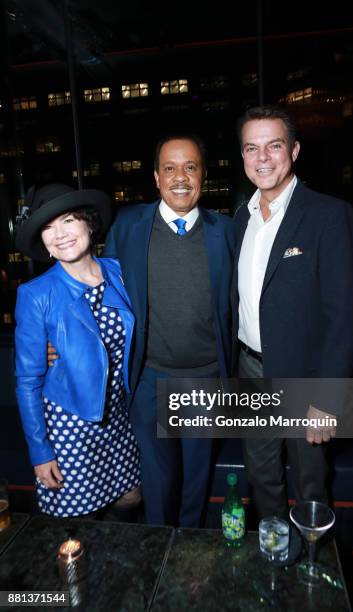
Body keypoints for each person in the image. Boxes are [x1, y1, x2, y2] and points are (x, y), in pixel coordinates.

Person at [232, 105, 353, 518]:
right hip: (250, 371)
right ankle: (273, 557)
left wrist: (326, 400)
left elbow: (346, 316)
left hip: (304, 376)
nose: (263, 158)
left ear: (294, 150)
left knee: (310, 483)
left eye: (274, 145)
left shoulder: (329, 215)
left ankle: (314, 570)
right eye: (252, 148)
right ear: (242, 157)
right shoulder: (241, 216)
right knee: (262, 476)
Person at [103, 134, 235, 527]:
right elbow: (101, 293)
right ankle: (157, 558)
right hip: (150, 379)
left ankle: (188, 563)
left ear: (204, 176)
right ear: (156, 178)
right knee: (158, 486)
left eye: (191, 167)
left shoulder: (226, 231)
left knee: (196, 484)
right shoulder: (127, 226)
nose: (181, 176)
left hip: (205, 378)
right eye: (170, 168)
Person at [14, 183, 141, 519]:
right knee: (80, 519)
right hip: (70, 427)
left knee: (130, 499)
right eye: (48, 227)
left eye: (68, 220)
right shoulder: (35, 294)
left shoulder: (119, 273)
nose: (60, 234)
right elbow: (27, 381)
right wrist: (41, 452)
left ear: (88, 224)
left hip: (121, 418)